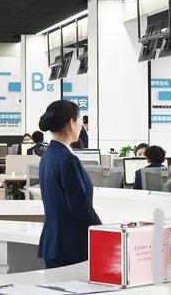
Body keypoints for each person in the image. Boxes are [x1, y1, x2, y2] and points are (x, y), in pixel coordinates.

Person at [37, 99, 102, 269]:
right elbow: (80, 207)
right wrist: (103, 231)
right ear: (72, 123)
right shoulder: (67, 159)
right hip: (70, 246)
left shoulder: (49, 155)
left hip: (55, 244)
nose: (82, 125)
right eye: (80, 119)